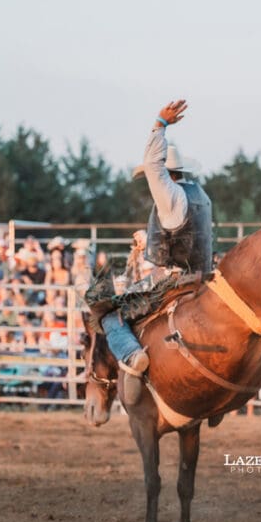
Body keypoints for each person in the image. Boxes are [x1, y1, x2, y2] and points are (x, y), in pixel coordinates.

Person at [101, 99, 214, 406]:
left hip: (173, 282)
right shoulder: (199, 196)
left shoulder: (170, 194)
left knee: (111, 316)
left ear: (168, 173)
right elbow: (184, 236)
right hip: (203, 276)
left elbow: (152, 165)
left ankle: (134, 357)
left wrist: (159, 125)